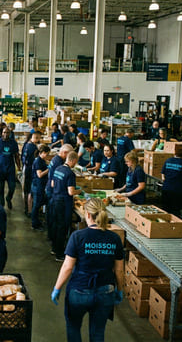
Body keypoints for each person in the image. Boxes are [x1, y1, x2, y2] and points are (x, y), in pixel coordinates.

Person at [51, 198, 124, 342]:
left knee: (73, 328)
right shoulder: (114, 238)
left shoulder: (78, 236)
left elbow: (67, 267)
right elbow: (119, 270)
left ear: (88, 215)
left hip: (79, 290)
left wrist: (57, 288)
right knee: (97, 333)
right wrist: (120, 290)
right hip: (105, 291)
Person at [51, 151, 82, 261]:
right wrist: (80, 191)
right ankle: (59, 254)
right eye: (76, 162)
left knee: (56, 225)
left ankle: (54, 248)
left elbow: (52, 184)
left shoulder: (58, 168)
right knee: (63, 228)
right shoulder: (70, 173)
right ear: (73, 160)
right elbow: (71, 192)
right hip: (64, 203)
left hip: (55, 199)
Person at [46, 145, 74, 243]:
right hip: (58, 196)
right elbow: (70, 191)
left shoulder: (57, 162)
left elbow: (54, 181)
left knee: (54, 219)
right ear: (66, 153)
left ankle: (52, 238)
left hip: (54, 193)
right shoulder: (59, 163)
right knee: (59, 222)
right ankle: (56, 243)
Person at [0, 127, 21, 209]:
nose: (6, 134)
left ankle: (8, 198)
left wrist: (19, 168)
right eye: (4, 132)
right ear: (1, 133)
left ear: (10, 133)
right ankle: (1, 205)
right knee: (0, 189)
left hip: (10, 168)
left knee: (12, 186)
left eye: (8, 132)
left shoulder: (13, 143)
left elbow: (16, 156)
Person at [31, 144, 50, 231]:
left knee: (38, 204)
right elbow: (40, 174)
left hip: (40, 186)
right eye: (46, 154)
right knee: (36, 205)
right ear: (41, 153)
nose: (47, 155)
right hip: (37, 186)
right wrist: (49, 169)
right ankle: (35, 224)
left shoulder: (41, 160)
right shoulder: (38, 161)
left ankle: (37, 222)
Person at [22, 132, 40, 215]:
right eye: (38, 138)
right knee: (29, 191)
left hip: (27, 169)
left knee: (27, 190)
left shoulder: (27, 144)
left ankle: (27, 209)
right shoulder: (32, 147)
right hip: (29, 171)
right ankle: (29, 210)